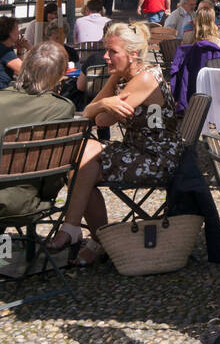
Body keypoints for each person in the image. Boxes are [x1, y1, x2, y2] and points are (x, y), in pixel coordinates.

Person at [46, 22, 184, 265]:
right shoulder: (125, 76)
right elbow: (91, 112)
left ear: (132, 54)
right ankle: (89, 236)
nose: (105, 56)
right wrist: (106, 97)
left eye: (112, 51)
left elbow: (100, 120)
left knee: (83, 161)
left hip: (156, 158)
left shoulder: (145, 79)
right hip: (136, 150)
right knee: (82, 160)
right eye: (106, 50)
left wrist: (102, 105)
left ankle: (85, 236)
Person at [0, 42, 76, 227]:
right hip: (22, 204)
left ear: (25, 65)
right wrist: (47, 195)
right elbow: (53, 173)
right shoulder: (61, 108)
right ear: (60, 74)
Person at [169, 6, 220, 114]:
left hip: (189, 79)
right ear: (212, 21)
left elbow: (180, 61)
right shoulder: (217, 41)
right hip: (209, 81)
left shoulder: (187, 36)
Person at [0, 16, 24, 89]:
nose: (19, 32)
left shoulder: (6, 47)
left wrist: (20, 51)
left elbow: (16, 71)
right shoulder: (5, 50)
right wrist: (29, 47)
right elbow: (24, 71)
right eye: (17, 29)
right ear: (9, 32)